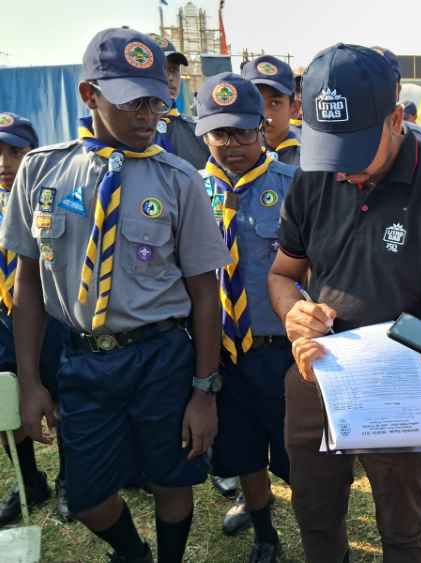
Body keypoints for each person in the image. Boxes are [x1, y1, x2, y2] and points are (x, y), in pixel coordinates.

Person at [0, 29, 230, 563]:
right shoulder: (42, 171)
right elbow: (27, 283)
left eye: (156, 101)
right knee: (86, 496)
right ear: (89, 95)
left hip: (161, 356)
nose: (148, 114)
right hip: (81, 358)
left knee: (172, 477)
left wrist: (204, 390)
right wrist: (33, 381)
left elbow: (204, 293)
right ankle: (132, 552)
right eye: (132, 102)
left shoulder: (179, 180)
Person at [267, 43, 421, 563]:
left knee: (401, 527)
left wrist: (363, 353)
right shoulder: (314, 174)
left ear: (395, 120)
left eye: (355, 150)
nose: (344, 170)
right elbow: (281, 274)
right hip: (316, 377)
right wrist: (294, 315)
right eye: (330, 149)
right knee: (315, 516)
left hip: (400, 385)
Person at [197, 73, 296, 562]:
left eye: (242, 132)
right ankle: (265, 531)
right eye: (220, 134)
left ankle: (323, 526)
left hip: (280, 352)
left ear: (262, 127)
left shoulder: (293, 186)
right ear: (203, 134)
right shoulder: (188, 191)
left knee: (299, 454)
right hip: (221, 354)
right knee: (241, 454)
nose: (232, 145)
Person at [0, 113, 71, 525]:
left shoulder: (53, 197)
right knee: (6, 401)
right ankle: (28, 480)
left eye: (16, 152)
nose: (6, 163)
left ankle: (68, 478)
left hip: (48, 320)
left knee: (63, 400)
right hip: (1, 321)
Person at [148, 33, 210, 170]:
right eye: (162, 69)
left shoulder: (198, 133)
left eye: (173, 70)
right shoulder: (129, 135)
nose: (170, 77)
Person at [242, 55, 302, 167]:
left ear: (294, 109)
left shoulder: (308, 159)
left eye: (275, 103)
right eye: (256, 103)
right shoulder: (237, 157)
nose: (264, 115)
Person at [372, 46, 421, 146]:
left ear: (398, 90)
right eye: (369, 83)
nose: (376, 91)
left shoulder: (419, 137)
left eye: (385, 84)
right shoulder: (345, 133)